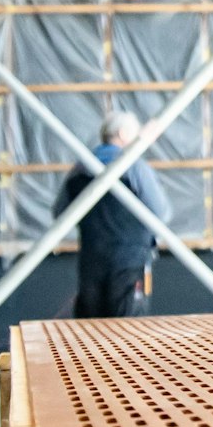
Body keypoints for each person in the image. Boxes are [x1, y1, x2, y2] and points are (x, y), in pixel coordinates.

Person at [55, 110, 171, 319]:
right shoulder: (135, 167)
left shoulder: (80, 168)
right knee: (127, 335)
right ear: (123, 133)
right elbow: (160, 211)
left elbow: (59, 212)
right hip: (129, 263)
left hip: (91, 263)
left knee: (89, 335)